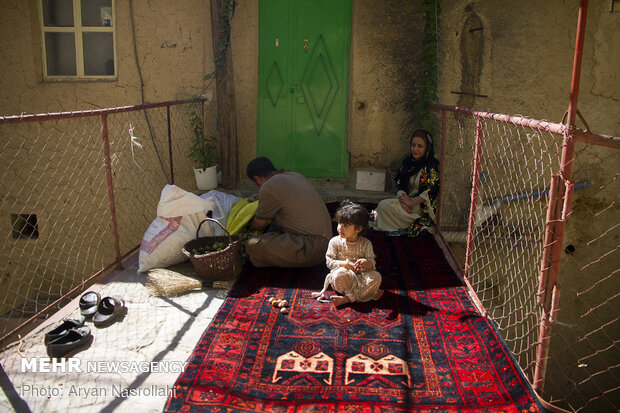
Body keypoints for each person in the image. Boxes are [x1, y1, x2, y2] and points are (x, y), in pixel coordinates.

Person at [245, 156, 332, 267]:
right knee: (275, 225)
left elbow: (259, 225)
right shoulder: (295, 175)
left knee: (252, 246)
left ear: (257, 179)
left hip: (312, 248)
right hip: (326, 241)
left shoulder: (268, 186)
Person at [311, 201, 383, 307]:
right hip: (342, 277)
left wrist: (366, 263)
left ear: (358, 229)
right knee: (337, 276)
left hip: (360, 277)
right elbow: (329, 262)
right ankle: (364, 294)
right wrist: (345, 264)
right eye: (339, 223)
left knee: (376, 277)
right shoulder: (334, 241)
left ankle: (348, 298)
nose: (340, 228)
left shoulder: (366, 243)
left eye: (345, 225)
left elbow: (372, 264)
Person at [369, 129, 440, 236]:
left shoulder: (432, 166)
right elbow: (399, 183)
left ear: (427, 148)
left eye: (420, 146)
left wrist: (411, 203)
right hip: (405, 201)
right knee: (382, 205)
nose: (415, 149)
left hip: (420, 208)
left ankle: (390, 226)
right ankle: (372, 220)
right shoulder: (408, 162)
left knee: (384, 207)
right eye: (413, 145)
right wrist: (403, 200)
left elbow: (431, 190)